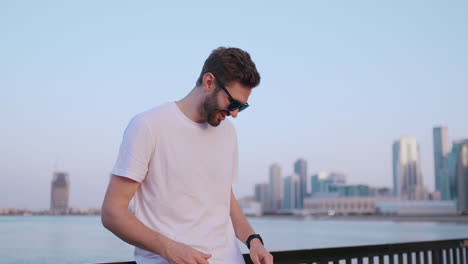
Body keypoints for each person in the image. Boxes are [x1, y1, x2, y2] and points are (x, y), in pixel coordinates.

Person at [101, 47, 273, 264]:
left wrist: (253, 240)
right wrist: (170, 249)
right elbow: (112, 213)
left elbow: (224, 199)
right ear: (209, 82)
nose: (235, 114)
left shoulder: (228, 131)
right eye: (233, 103)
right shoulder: (148, 126)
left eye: (243, 107)